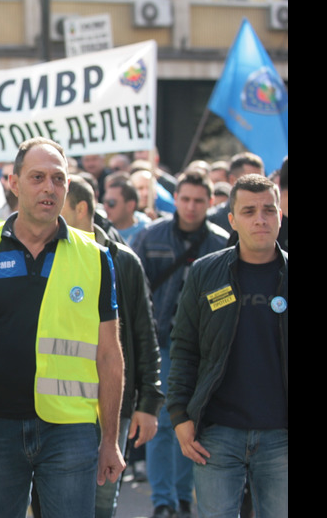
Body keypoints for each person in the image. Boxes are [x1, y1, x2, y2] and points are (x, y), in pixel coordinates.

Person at [0, 137, 124, 518]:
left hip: (70, 428)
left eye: (58, 178)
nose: (48, 188)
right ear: (13, 182)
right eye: (37, 177)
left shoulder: (96, 258)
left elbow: (109, 355)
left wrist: (110, 440)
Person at [168, 174, 288, 518]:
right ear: (232, 220)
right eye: (249, 211)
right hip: (216, 433)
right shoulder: (206, 273)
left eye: (269, 210)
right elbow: (184, 347)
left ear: (281, 215)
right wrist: (179, 416)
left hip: (280, 437)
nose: (261, 219)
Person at [62, 175, 163, 518]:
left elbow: (144, 336)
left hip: (112, 405)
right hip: (59, 405)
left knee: (103, 503)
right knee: (57, 501)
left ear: (80, 208)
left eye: (59, 208)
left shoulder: (124, 261)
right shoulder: (48, 257)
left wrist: (148, 402)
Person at [131, 170, 229, 518]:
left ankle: (184, 496)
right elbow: (134, 290)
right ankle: (162, 501)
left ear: (209, 203)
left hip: (205, 349)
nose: (190, 207)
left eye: (198, 201)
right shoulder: (150, 236)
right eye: (184, 199)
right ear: (176, 200)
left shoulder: (221, 242)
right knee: (162, 424)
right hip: (161, 345)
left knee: (194, 421)